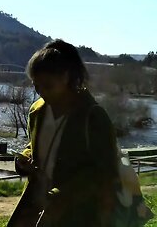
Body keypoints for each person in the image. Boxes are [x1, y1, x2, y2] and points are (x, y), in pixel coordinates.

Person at [7, 39, 119, 227]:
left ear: (66, 77)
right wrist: (23, 159)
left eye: (48, 85)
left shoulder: (93, 116)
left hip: (79, 214)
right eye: (36, 86)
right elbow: (34, 146)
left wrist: (62, 196)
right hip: (36, 206)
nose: (41, 92)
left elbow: (105, 172)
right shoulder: (37, 111)